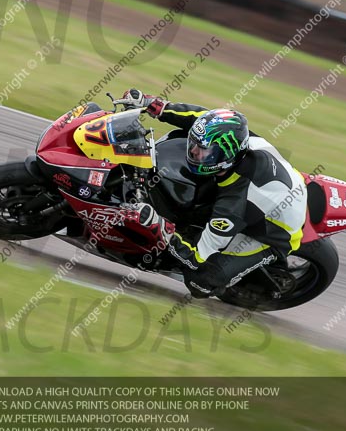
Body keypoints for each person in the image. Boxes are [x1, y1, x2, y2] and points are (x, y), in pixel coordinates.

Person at [114, 89, 307, 299]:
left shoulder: (233, 205)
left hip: (272, 233)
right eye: (195, 144)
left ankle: (250, 279)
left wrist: (159, 227)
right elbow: (199, 117)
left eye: (203, 151)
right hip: (276, 186)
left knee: (200, 282)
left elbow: (197, 259)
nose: (193, 151)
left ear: (225, 155)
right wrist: (154, 105)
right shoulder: (234, 137)